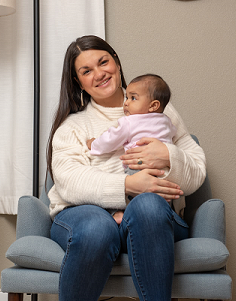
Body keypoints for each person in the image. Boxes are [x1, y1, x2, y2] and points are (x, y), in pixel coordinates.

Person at [46, 35, 206, 301]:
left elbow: (198, 169)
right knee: (97, 228)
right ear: (79, 82)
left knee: (149, 206)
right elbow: (68, 181)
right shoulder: (72, 127)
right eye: (86, 71)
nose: (99, 74)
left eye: (103, 62)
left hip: (150, 219)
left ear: (117, 63)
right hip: (85, 216)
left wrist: (168, 155)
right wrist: (127, 185)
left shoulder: (161, 113)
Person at [86, 73, 176, 224]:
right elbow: (172, 135)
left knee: (120, 191)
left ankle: (118, 213)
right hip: (163, 171)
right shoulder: (167, 121)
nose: (126, 103)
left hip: (137, 169)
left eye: (133, 98)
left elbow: (110, 139)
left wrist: (94, 144)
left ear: (153, 105)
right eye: (127, 97)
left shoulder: (129, 122)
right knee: (159, 199)